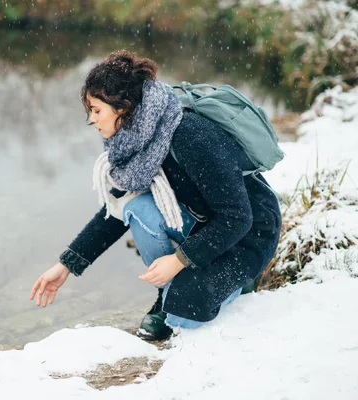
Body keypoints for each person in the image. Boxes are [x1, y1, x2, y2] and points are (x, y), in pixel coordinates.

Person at [29, 50, 282, 340]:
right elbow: (114, 211)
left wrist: (179, 259)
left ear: (122, 106)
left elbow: (238, 217)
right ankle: (168, 292)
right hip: (204, 224)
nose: (92, 121)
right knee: (137, 207)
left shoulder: (187, 134)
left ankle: (239, 284)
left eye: (96, 110)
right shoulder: (135, 143)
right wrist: (66, 266)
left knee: (183, 314)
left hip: (247, 235)